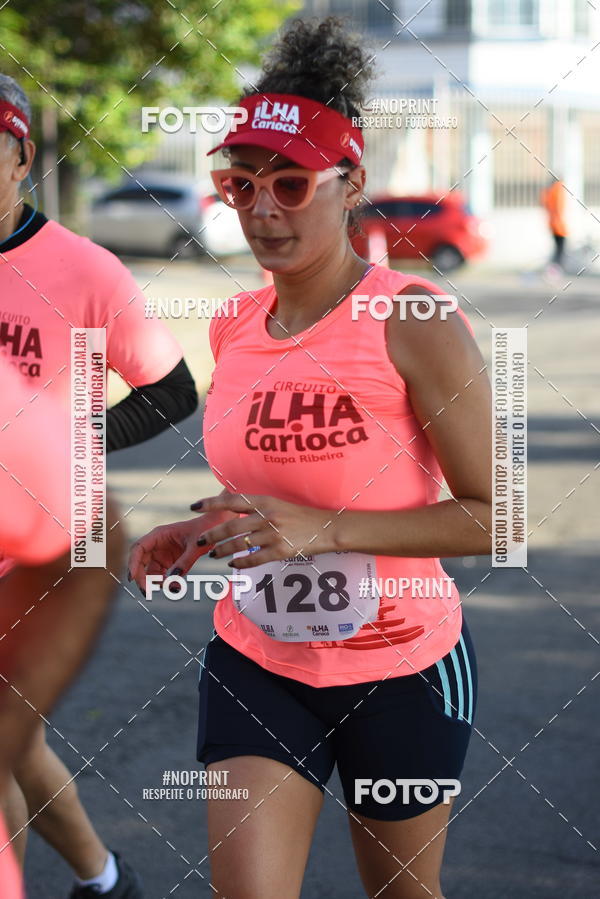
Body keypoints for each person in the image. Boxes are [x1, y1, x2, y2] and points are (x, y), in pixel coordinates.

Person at [128, 17, 492, 899]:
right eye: (240, 184)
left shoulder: (414, 319)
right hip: (260, 658)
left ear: (351, 182)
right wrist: (206, 526)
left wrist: (322, 530)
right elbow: (264, 487)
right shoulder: (234, 324)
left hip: (403, 664)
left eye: (291, 184)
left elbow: (498, 512)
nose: (262, 209)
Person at [0, 72, 199, 897]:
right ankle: (105, 878)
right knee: (11, 740)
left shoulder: (83, 269)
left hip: (44, 543)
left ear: (19, 157)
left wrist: (70, 447)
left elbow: (173, 391)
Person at [0, 358, 126, 898]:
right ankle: (105, 880)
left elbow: (95, 519)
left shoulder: (87, 272)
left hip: (23, 545)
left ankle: (104, 879)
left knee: (18, 751)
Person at [540, 175, 569, 272]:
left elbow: (546, 205)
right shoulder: (558, 189)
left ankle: (554, 269)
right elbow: (559, 208)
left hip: (553, 224)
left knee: (557, 250)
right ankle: (555, 270)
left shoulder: (549, 191)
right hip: (559, 226)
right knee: (560, 251)